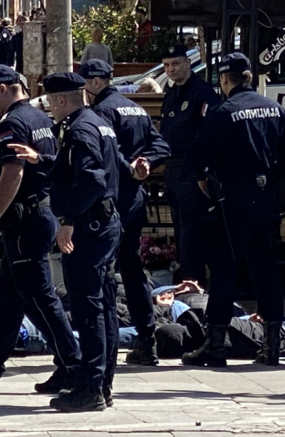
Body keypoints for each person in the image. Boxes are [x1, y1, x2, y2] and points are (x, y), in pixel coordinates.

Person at [0, 65, 82, 391]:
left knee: (40, 298)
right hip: (38, 215)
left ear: (3, 88)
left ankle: (72, 364)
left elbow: (14, 172)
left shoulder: (12, 122)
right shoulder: (41, 119)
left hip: (25, 220)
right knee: (7, 298)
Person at [184, 53, 285, 368]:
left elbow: (197, 156)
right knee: (265, 267)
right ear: (249, 77)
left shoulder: (224, 111)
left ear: (225, 80)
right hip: (266, 198)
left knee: (224, 269)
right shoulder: (275, 109)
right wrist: (271, 177)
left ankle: (215, 345)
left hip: (232, 198)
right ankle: (272, 346)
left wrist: (204, 178)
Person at [78, 59, 170, 366]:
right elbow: (161, 145)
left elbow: (107, 151)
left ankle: (105, 344)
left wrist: (131, 167)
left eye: (84, 83)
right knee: (132, 269)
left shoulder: (101, 112)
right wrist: (146, 162)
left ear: (95, 82)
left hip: (113, 200)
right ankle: (147, 339)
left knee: (103, 271)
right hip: (135, 200)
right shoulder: (136, 109)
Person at [40, 72, 122, 412]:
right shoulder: (98, 122)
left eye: (51, 103)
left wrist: (69, 220)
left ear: (61, 100)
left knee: (89, 310)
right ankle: (102, 384)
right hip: (105, 223)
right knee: (103, 306)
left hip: (89, 227)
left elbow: (91, 179)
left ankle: (91, 388)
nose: (50, 109)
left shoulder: (79, 130)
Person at [159, 44, 220, 282]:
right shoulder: (172, 94)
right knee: (179, 227)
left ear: (187, 63)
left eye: (175, 64)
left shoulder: (201, 93)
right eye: (166, 65)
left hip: (192, 170)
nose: (171, 69)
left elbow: (208, 136)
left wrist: (201, 173)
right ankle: (186, 276)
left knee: (191, 230)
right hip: (173, 169)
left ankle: (193, 280)